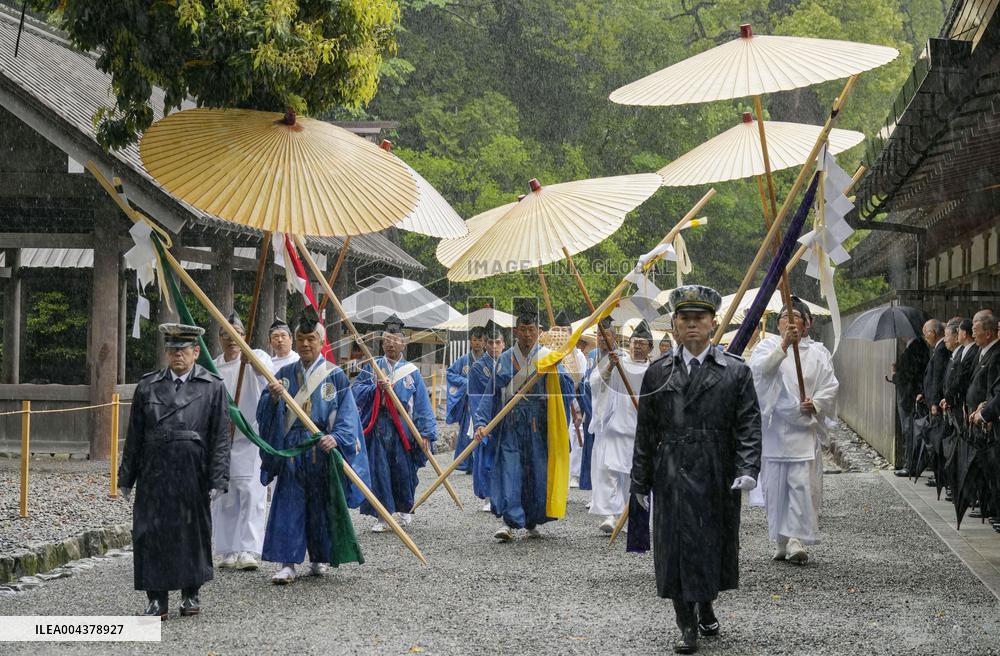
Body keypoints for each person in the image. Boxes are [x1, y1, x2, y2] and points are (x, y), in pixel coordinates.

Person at [631, 285, 762, 655]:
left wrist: (748, 466)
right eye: (684, 318)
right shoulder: (657, 374)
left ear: (713, 324)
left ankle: (705, 603)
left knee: (709, 543)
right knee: (674, 544)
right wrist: (639, 480)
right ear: (673, 325)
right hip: (670, 469)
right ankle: (685, 623)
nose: (692, 325)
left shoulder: (735, 372)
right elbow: (646, 431)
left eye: (699, 318)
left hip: (715, 469)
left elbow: (749, 424)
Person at [118, 323, 230, 619]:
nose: (177, 355)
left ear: (196, 352)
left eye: (183, 349)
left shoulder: (213, 386)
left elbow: (220, 437)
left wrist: (218, 478)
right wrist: (126, 478)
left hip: (193, 470)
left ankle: (191, 593)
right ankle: (157, 598)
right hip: (155, 469)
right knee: (151, 532)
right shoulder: (148, 386)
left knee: (191, 531)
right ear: (166, 352)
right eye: (172, 349)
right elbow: (135, 436)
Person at [257, 308, 370, 585]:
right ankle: (288, 562)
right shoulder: (282, 375)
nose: (305, 344)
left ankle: (319, 558)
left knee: (321, 504)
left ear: (321, 342)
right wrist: (271, 400)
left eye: (310, 339)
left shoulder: (335, 376)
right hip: (293, 448)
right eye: (301, 339)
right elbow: (264, 413)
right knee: (289, 503)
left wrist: (338, 437)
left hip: (321, 446)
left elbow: (347, 414)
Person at [473, 300, 573, 541]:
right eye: (523, 330)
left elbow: (566, 390)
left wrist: (557, 371)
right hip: (511, 424)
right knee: (509, 471)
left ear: (538, 331)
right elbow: (492, 391)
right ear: (516, 331)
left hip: (538, 426)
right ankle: (508, 522)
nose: (527, 335)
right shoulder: (506, 358)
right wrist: (481, 421)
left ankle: (531, 521)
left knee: (535, 474)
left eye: (532, 330)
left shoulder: (549, 358)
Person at [749, 298, 838, 564]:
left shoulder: (818, 352)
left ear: (807, 324)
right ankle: (780, 539)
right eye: (784, 317)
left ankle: (796, 539)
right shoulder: (766, 347)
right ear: (778, 325)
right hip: (776, 428)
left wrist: (818, 403)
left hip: (802, 428)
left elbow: (830, 386)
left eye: (796, 316)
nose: (789, 321)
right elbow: (761, 373)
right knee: (776, 487)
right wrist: (784, 347)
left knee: (799, 486)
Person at [353, 314, 437, 532]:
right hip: (378, 426)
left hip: (403, 429)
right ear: (382, 343)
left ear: (404, 343)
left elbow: (421, 404)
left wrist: (426, 431)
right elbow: (356, 392)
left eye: (395, 340)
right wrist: (375, 388)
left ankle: (404, 509)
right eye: (387, 340)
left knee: (403, 470)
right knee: (379, 470)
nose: (391, 344)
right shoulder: (371, 367)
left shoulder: (412, 372)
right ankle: (383, 515)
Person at [212, 313, 273, 571]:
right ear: (220, 338)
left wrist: (252, 362)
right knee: (224, 495)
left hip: (249, 435)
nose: (232, 339)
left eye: (236, 333)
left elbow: (269, 380)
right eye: (226, 334)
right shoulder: (212, 366)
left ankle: (248, 549)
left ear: (244, 336)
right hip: (223, 438)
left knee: (250, 492)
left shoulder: (255, 356)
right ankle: (227, 550)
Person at [588, 320, 652, 533]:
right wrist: (609, 367)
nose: (637, 347)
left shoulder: (654, 371)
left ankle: (630, 515)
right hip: (615, 426)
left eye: (642, 343)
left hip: (639, 429)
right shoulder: (619, 362)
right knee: (610, 472)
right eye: (634, 342)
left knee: (634, 475)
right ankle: (609, 515)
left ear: (650, 347)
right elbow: (595, 382)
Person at [469, 320, 506, 512]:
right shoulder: (478, 367)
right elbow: (475, 397)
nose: (494, 346)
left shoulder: (508, 363)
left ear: (503, 344)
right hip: (485, 415)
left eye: (497, 342)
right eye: (490, 343)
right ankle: (488, 496)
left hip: (506, 415)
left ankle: (503, 493)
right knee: (486, 457)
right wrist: (479, 423)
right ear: (485, 344)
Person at [552, 310, 588, 489]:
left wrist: (573, 399)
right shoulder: (548, 352)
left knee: (574, 434)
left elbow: (579, 379)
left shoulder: (577, 354)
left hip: (572, 398)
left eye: (566, 331)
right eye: (559, 330)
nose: (562, 334)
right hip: (552, 399)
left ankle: (573, 473)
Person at [887, 328, 930, 476]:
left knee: (910, 430)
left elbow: (909, 376)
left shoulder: (915, 348)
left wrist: (894, 373)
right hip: (912, 395)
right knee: (911, 430)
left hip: (909, 396)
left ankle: (911, 465)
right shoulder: (918, 346)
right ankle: (911, 463)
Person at [445, 326, 486, 474]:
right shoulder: (464, 360)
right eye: (474, 340)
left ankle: (479, 464)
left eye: (480, 340)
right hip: (468, 403)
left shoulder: (488, 361)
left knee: (482, 431)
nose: (477, 343)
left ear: (484, 342)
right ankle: (466, 464)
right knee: (465, 433)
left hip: (482, 403)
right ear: (470, 342)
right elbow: (450, 373)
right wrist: (465, 382)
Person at [917, 319, 949, 418]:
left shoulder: (941, 350)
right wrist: (924, 394)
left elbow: (938, 377)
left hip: (937, 403)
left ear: (933, 333)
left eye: (925, 334)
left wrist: (935, 402)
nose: (925, 338)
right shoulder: (937, 349)